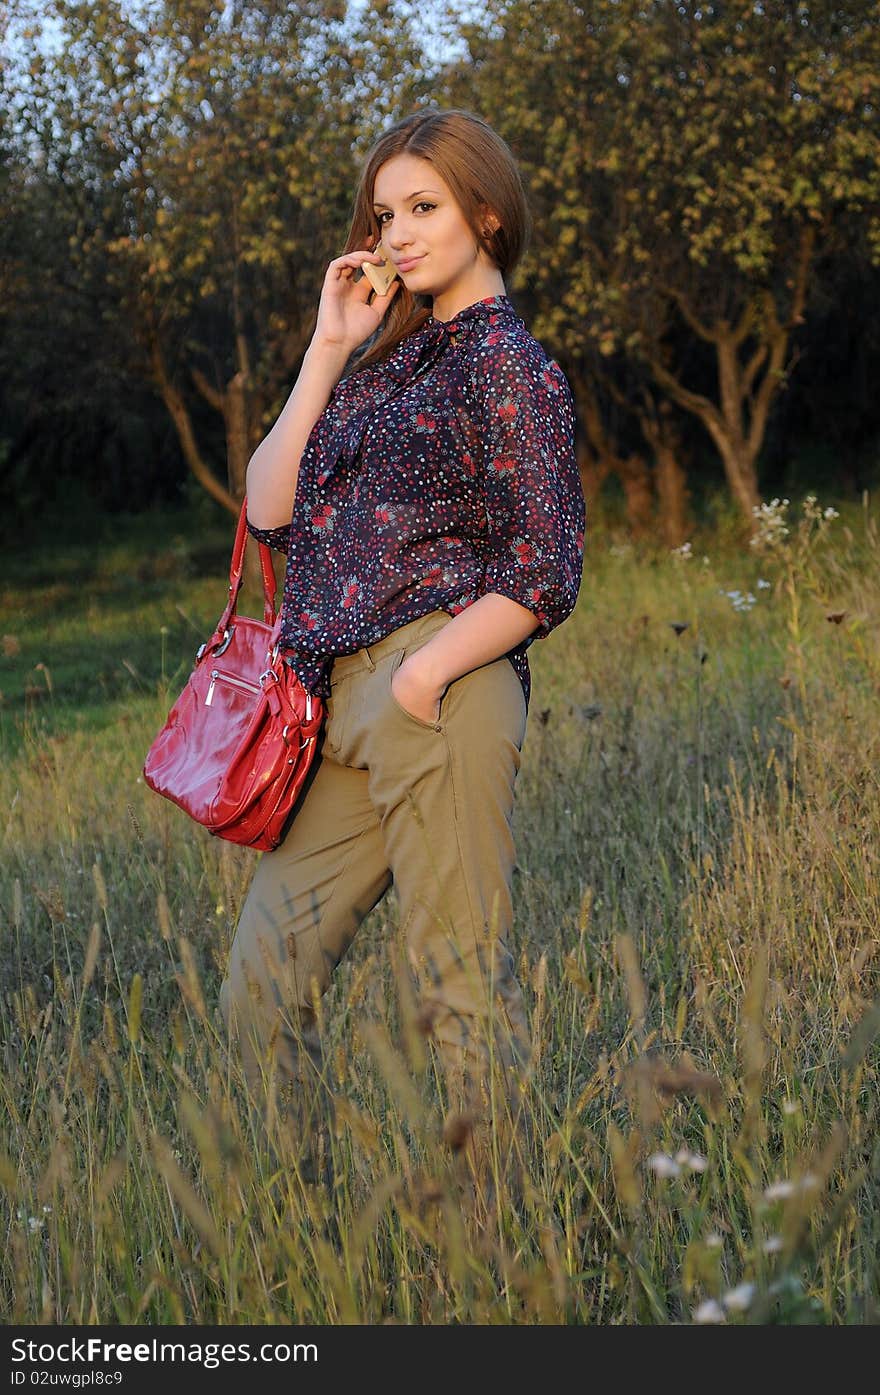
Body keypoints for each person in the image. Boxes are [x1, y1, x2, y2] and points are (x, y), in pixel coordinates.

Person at [218, 108, 585, 1215]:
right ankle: (305, 1232)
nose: (398, 232)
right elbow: (267, 505)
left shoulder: (511, 367)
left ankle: (495, 1253)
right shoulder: (385, 363)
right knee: (257, 990)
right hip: (335, 706)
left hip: (440, 689)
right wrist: (329, 343)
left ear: (486, 213)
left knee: (455, 997)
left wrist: (423, 678)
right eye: (386, 213)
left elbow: (545, 566)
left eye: (423, 207)